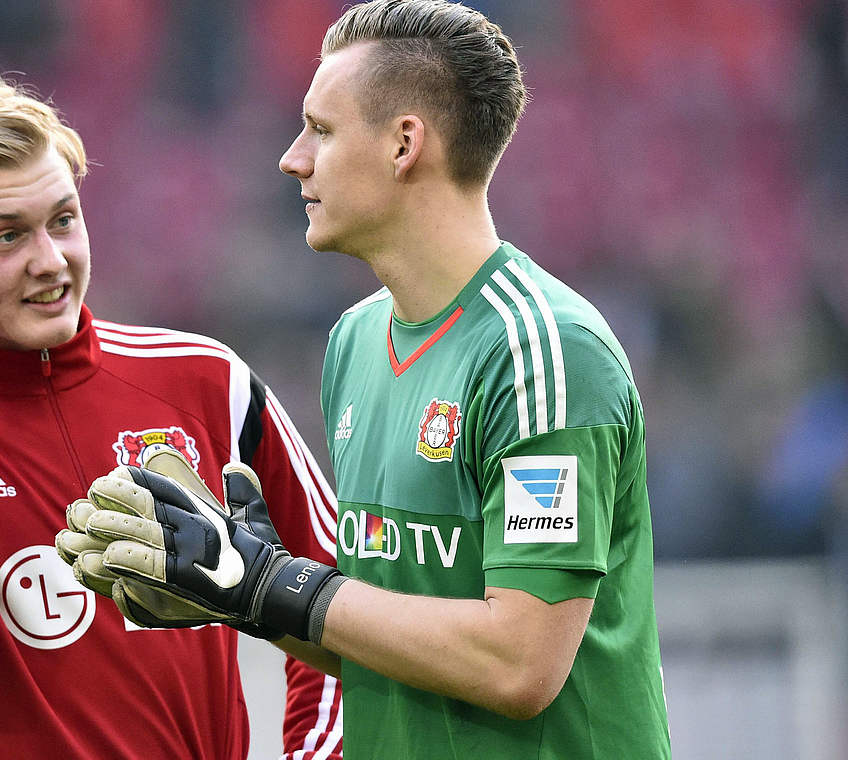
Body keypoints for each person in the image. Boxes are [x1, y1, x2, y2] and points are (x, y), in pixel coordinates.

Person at [62, 1, 672, 757]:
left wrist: (274, 582)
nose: (293, 157)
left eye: (320, 128)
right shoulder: (355, 341)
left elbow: (520, 663)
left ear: (404, 144)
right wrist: (239, 593)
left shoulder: (541, 352)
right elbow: (379, 636)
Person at [0, 69, 343, 759]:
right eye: (7, 237)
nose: (50, 260)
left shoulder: (207, 380)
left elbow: (343, 601)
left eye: (63, 220)